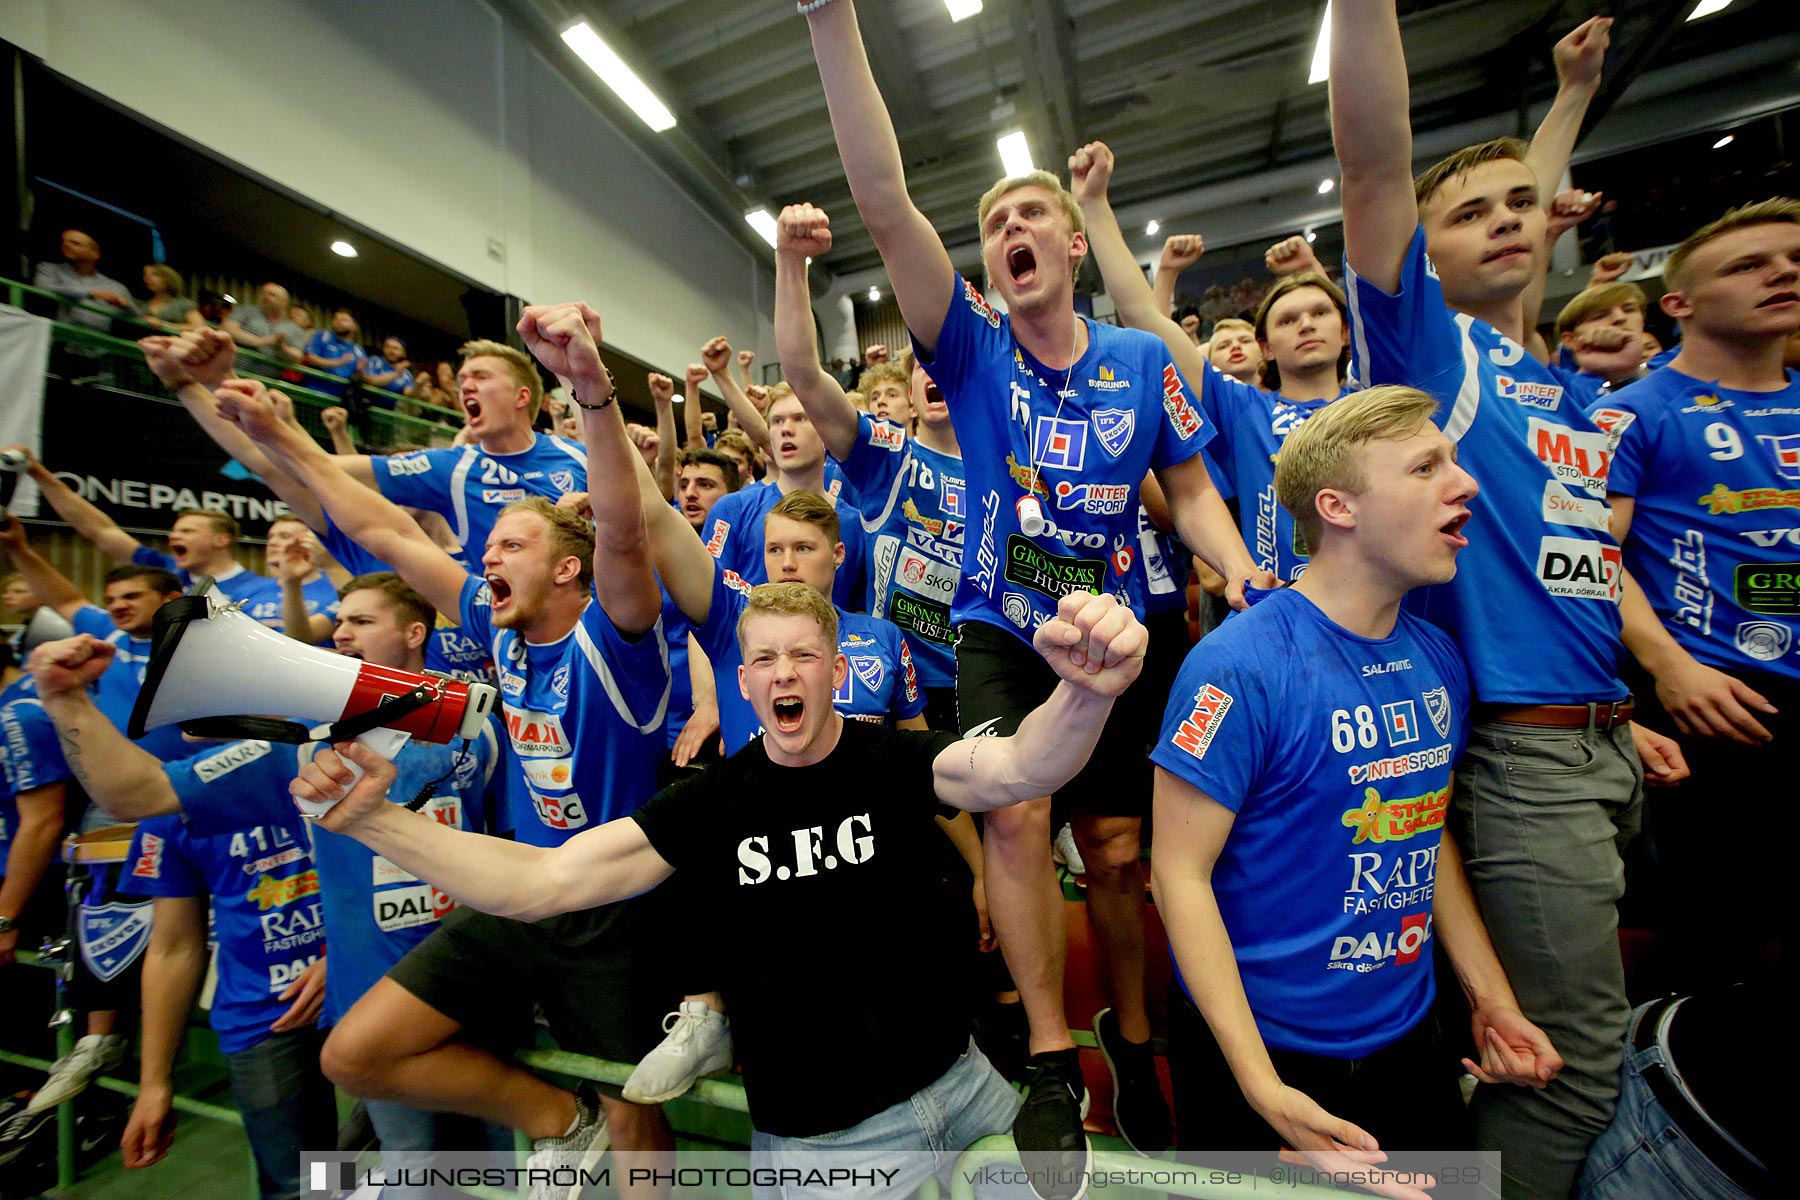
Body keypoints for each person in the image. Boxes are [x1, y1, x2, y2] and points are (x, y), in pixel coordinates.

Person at [804, 2, 1265, 1178]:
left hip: (1128, 626)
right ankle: (1055, 1060)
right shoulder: (967, 346)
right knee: (1013, 810)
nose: (1011, 229)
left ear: (1069, 248)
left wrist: (1235, 561)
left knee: (1115, 850)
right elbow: (879, 200)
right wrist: (829, 19)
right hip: (1003, 622)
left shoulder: (1144, 361)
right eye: (994, 221)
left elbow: (1192, 484)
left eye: (1031, 216)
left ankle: (1140, 1031)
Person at [293, 585, 1145, 1200]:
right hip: (827, 1148)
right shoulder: (709, 804)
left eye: (804, 655)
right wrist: (377, 822)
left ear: (835, 670)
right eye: (763, 657)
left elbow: (1023, 767)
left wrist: (1085, 690)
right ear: (742, 683)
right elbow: (542, 882)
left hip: (964, 1085)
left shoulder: (896, 762)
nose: (785, 673)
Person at [1329, 7, 1685, 1195]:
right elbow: (1375, 164)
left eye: (1523, 205)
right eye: (1467, 215)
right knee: (1568, 1069)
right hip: (1515, 760)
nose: (1505, 225)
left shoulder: (1569, 389)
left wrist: (1637, 699)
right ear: (1422, 257)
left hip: (1600, 741)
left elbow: (1583, 572)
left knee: (1583, 1041)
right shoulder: (1438, 368)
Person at [213, 301, 674, 1192]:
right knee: (354, 1054)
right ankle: (554, 1119)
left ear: (568, 569)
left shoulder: (620, 640)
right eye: (486, 543)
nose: (484, 555)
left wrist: (588, 387)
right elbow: (382, 531)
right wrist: (284, 434)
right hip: (509, 898)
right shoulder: (498, 634)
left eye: (509, 544)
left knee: (637, 1116)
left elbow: (622, 530)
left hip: (613, 913)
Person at [1153, 384, 1563, 1182]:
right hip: (1265, 1049)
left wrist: (1489, 996)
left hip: (1409, 1039)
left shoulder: (1439, 659)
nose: (1465, 482)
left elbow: (1422, 822)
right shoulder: (1236, 666)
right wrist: (1259, 1084)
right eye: (1425, 467)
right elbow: (1178, 875)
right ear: (1337, 507)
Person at [30, 569, 506, 1188]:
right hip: (375, 1007)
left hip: (485, 992)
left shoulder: (480, 726)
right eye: (337, 620)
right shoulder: (300, 750)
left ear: (415, 633)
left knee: (500, 1169)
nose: (340, 634)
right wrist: (65, 698)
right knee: (413, 1166)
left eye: (361, 621)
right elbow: (134, 792)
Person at [1605, 198, 1800, 994]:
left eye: (1791, 260)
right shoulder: (1630, 413)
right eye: (1749, 264)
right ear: (1677, 302)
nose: (1782, 273)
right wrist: (1669, 668)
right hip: (1712, 698)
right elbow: (1589, 556)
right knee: (1718, 927)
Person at [1075, 152, 1355, 584]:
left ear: (1346, 333)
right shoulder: (1244, 411)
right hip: (1284, 609)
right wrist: (1093, 204)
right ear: (1266, 347)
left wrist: (1312, 270)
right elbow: (1143, 316)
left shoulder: (1377, 402)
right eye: (1286, 319)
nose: (1305, 324)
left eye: (1320, 313)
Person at [118, 811, 332, 1200]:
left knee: (418, 1167)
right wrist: (154, 1083)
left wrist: (346, 956)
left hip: (374, 990)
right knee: (304, 1188)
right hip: (263, 1019)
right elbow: (173, 948)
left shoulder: (332, 765)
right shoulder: (172, 802)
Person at [0, 515, 191, 761]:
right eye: (110, 600)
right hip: (119, 785)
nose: (117, 606)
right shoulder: (107, 631)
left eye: (132, 597)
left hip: (197, 786)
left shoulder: (203, 649)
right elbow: (65, 599)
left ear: (171, 599)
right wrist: (18, 549)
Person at [697, 387, 868, 613]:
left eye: (800, 419)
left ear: (827, 432)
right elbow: (706, 607)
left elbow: (861, 615)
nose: (786, 430)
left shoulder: (857, 524)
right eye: (776, 421)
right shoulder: (732, 509)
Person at [1554, 284, 1655, 406]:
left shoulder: (1668, 363)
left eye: (1629, 310)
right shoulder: (1563, 386)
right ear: (1569, 339)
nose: (1620, 317)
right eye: (1599, 316)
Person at [32, 229, 133, 330]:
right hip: (59, 338)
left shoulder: (115, 286)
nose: (66, 245)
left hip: (98, 342)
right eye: (64, 241)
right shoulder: (49, 268)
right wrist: (90, 293)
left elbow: (136, 313)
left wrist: (124, 304)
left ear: (95, 253)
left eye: (75, 243)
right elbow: (43, 287)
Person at [224, 283, 307, 364]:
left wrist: (281, 347)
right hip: (234, 369)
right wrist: (261, 341)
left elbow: (297, 357)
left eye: (272, 295)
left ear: (284, 302)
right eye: (263, 293)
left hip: (265, 377)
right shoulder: (246, 311)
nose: (265, 297)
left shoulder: (294, 329)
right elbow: (228, 329)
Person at [302, 309, 365, 398]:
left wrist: (360, 373)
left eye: (344, 320)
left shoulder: (359, 351)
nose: (338, 322)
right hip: (313, 392)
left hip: (339, 399)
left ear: (355, 326)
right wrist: (338, 362)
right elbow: (310, 358)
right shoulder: (323, 335)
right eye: (336, 319)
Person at [139, 264, 202, 330]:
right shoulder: (142, 305)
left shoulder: (183, 304)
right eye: (145, 274)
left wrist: (164, 325)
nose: (147, 278)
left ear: (167, 278)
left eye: (155, 274)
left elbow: (198, 326)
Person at [360, 336, 415, 406]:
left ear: (403, 353)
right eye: (388, 347)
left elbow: (408, 393)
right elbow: (372, 381)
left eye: (395, 348)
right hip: (367, 406)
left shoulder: (407, 374)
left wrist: (420, 385)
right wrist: (396, 374)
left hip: (389, 413)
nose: (391, 351)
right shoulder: (374, 361)